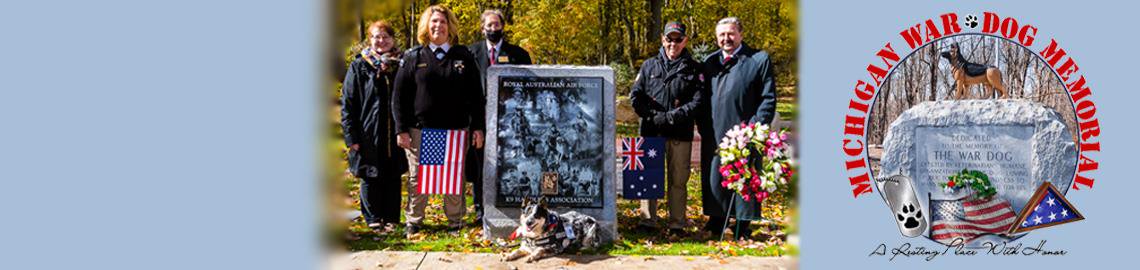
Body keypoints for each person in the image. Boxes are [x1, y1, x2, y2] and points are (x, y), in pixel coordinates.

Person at [392, 5, 485, 237]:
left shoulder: (463, 56)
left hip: (456, 131)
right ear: (426, 25)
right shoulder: (413, 56)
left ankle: (456, 221)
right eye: (434, 21)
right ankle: (415, 221)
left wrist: (478, 128)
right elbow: (399, 97)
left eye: (443, 22)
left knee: (453, 177)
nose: (438, 26)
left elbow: (476, 96)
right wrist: (401, 129)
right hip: (420, 131)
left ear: (450, 26)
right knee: (419, 177)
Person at [699, 17, 777, 239]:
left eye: (731, 33)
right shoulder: (710, 62)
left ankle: (743, 225)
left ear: (740, 34)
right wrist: (704, 127)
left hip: (746, 132)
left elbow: (768, 98)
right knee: (715, 177)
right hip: (716, 131)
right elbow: (702, 99)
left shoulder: (758, 60)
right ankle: (717, 220)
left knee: (745, 178)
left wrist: (754, 130)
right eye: (721, 35)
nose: (726, 38)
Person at [629, 21, 704, 236]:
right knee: (647, 178)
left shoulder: (694, 68)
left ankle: (677, 223)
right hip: (651, 130)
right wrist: (653, 116)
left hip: (679, 133)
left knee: (678, 180)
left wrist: (671, 117)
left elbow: (697, 103)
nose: (673, 43)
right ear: (663, 40)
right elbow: (636, 97)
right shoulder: (648, 66)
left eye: (678, 39)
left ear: (685, 41)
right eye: (669, 39)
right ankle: (647, 221)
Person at [341, 20, 409, 233]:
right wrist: (351, 137)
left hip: (394, 131)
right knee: (370, 175)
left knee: (392, 174)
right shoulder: (359, 65)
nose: (381, 41)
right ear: (370, 40)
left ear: (393, 40)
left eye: (386, 37)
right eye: (376, 37)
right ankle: (373, 217)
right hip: (367, 132)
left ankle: (391, 217)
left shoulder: (401, 64)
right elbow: (348, 103)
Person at [466, 9, 532, 225]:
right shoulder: (470, 53)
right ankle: (480, 208)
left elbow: (528, 88)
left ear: (503, 26)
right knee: (480, 164)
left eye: (497, 25)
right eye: (489, 25)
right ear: (482, 27)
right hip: (480, 119)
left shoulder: (519, 54)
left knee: (510, 161)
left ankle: (510, 205)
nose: (493, 29)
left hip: (510, 120)